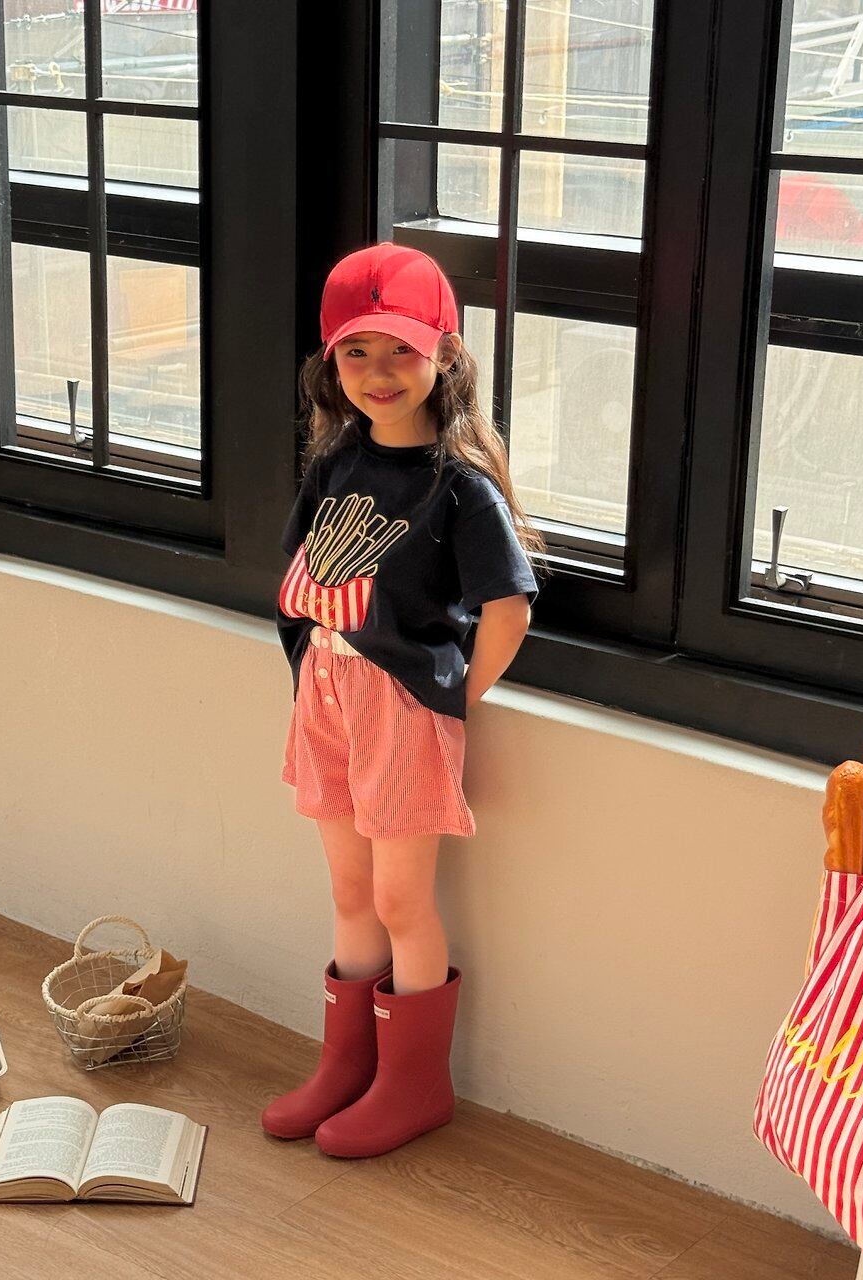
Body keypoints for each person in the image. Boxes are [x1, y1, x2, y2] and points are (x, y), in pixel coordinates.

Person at [262, 241, 548, 1159]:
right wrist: (313, 668)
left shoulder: (458, 489)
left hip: (399, 705)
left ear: (444, 356)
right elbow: (305, 570)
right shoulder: (335, 462)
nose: (379, 372)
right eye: (357, 352)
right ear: (331, 363)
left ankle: (414, 1085)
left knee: (399, 899)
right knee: (349, 889)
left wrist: (452, 697)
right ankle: (348, 1065)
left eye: (401, 350)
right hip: (327, 690)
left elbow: (507, 608)